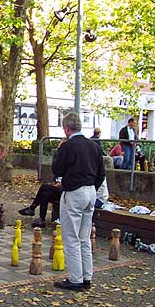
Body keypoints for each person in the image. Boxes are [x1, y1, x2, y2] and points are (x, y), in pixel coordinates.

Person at [52, 112, 105, 292]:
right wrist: (91, 187)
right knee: (84, 237)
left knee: (71, 237)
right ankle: (87, 277)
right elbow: (101, 174)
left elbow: (57, 169)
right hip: (91, 191)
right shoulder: (94, 146)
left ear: (66, 128)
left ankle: (75, 279)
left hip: (74, 192)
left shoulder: (68, 146)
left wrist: (60, 152)